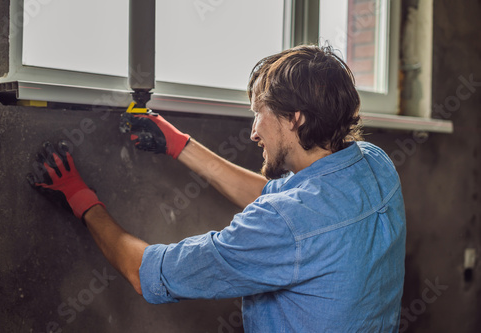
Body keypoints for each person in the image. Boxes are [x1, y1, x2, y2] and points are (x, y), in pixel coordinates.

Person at [29, 45, 406, 332]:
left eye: (260, 113)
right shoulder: (372, 163)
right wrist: (180, 145)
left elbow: (147, 273)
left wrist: (79, 195)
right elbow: (290, 209)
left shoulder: (286, 223)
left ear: (296, 119)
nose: (254, 131)